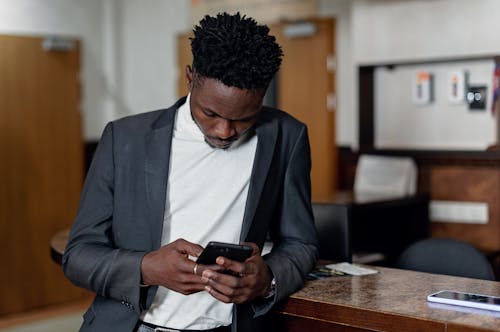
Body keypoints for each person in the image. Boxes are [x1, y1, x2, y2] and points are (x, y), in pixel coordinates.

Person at [62, 12, 318, 332]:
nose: (225, 131)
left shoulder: (286, 136)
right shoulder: (125, 138)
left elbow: (301, 244)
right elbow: (78, 256)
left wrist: (268, 278)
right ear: (190, 77)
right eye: (210, 112)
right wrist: (146, 268)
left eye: (243, 118)